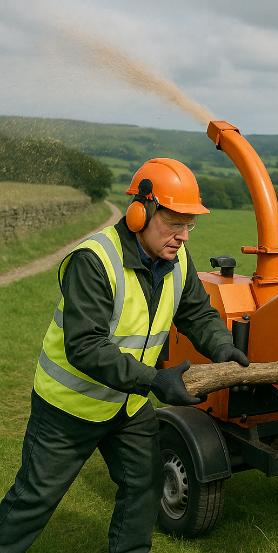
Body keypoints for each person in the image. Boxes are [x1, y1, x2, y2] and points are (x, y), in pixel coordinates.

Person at [0, 158, 249, 553]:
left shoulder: (177, 259)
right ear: (139, 213)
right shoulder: (94, 261)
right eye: (174, 222)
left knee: (143, 487)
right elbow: (85, 347)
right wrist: (155, 381)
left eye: (190, 224)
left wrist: (221, 345)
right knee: (34, 501)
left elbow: (197, 312)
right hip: (69, 409)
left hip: (128, 407)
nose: (184, 236)